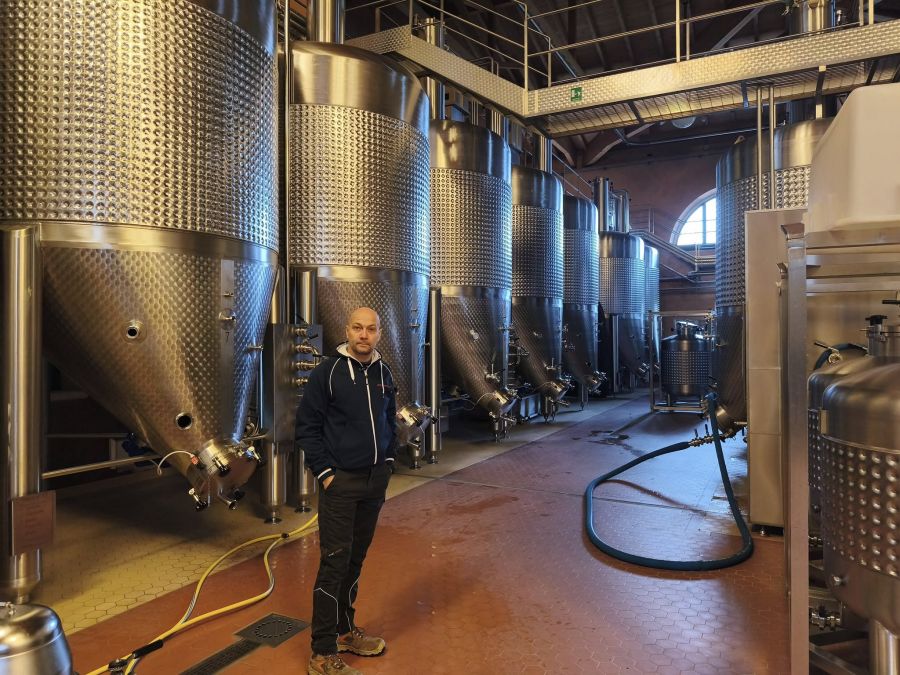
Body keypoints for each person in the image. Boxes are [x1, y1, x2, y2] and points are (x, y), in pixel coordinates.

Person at [296, 306, 397, 675]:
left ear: (379, 333)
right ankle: (322, 653)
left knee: (355, 559)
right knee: (334, 563)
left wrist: (388, 460)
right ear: (347, 330)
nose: (364, 335)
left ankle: (344, 631)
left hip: (374, 482)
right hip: (340, 483)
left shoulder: (384, 372)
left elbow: (389, 419)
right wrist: (325, 473)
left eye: (371, 329)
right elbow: (306, 426)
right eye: (357, 328)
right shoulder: (328, 372)